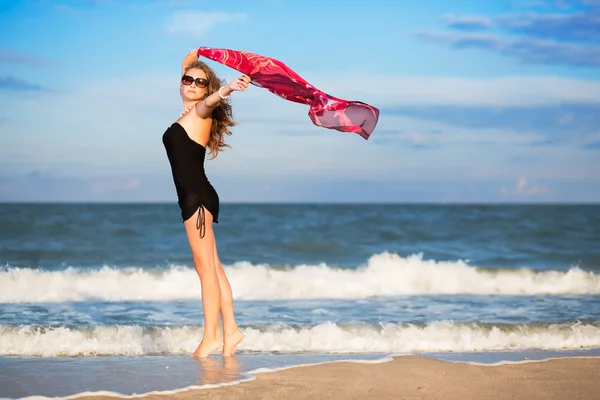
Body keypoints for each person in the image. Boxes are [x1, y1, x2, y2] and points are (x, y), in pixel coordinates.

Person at [162, 49, 251, 358]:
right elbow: (190, 72)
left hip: (196, 199)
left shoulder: (200, 110)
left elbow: (210, 100)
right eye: (187, 80)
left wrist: (226, 89)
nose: (192, 84)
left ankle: (211, 336)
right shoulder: (188, 112)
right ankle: (232, 332)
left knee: (206, 271)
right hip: (200, 195)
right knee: (214, 267)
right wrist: (192, 59)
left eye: (199, 83)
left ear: (206, 89)